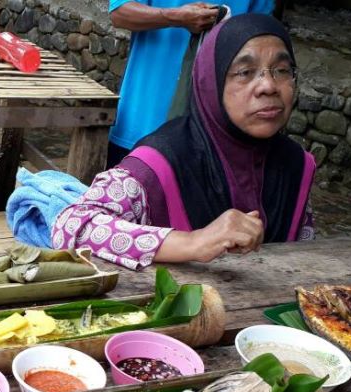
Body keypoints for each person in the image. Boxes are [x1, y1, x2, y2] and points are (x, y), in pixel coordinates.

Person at [52, 13, 315, 270]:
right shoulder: (159, 164)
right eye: (245, 72)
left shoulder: (295, 165)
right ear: (210, 83)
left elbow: (304, 257)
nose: (268, 85)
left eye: (282, 70)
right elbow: (71, 225)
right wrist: (193, 242)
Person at [108, 0, 274, 167]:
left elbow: (260, 35)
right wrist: (176, 17)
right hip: (141, 123)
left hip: (214, 140)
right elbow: (120, 13)